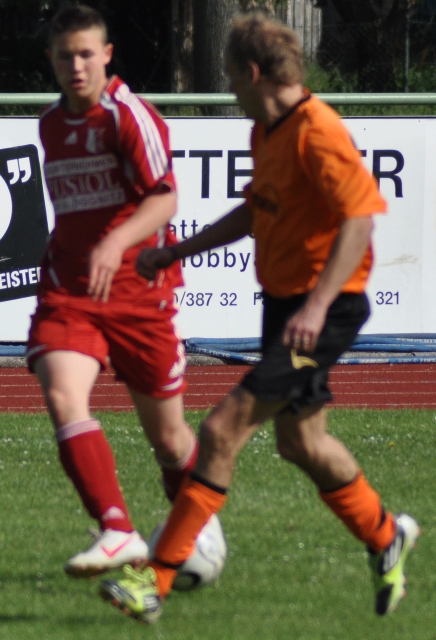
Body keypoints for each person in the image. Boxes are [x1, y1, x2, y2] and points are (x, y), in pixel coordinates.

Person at [99, 11, 419, 623]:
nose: (229, 89)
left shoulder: (317, 130)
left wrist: (317, 307)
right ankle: (385, 535)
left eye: (229, 77)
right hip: (287, 306)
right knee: (302, 443)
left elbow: (359, 218)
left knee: (222, 430)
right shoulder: (267, 131)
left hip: (322, 309)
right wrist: (177, 251)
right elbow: (254, 210)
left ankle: (152, 582)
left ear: (252, 72)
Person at [26, 4, 199, 578]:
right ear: (51, 60)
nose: (76, 66)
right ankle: (117, 529)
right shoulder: (50, 125)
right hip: (70, 291)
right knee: (62, 396)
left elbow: (164, 198)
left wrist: (115, 242)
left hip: (137, 292)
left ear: (106, 55)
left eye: (85, 54)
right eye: (64, 56)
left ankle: (197, 519)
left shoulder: (129, 115)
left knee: (169, 440)